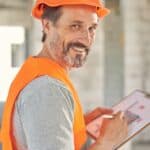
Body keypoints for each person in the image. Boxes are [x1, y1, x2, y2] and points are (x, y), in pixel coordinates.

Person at [0, 0, 128, 150]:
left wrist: (77, 124)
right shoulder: (48, 89)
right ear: (47, 26)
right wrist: (106, 143)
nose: (87, 38)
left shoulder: (38, 71)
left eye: (92, 28)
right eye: (75, 26)